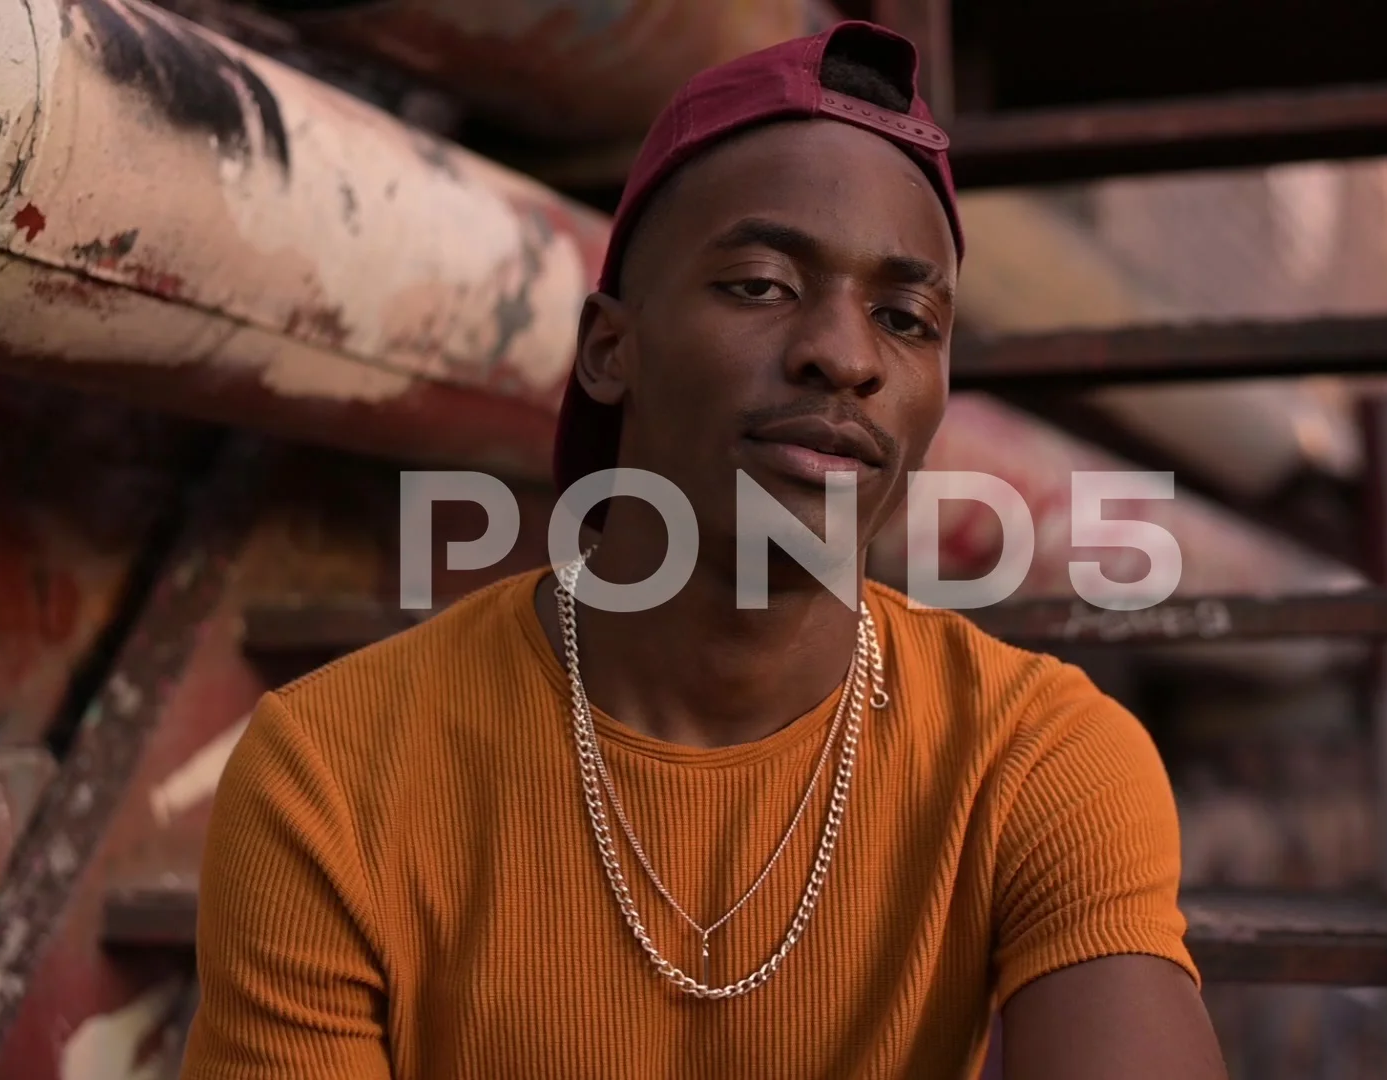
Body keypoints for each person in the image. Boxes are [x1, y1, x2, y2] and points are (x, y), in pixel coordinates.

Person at [180, 19, 1227, 1080]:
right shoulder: (330, 776)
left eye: (906, 317)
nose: (843, 356)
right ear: (609, 351)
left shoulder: (1035, 759)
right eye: (762, 284)